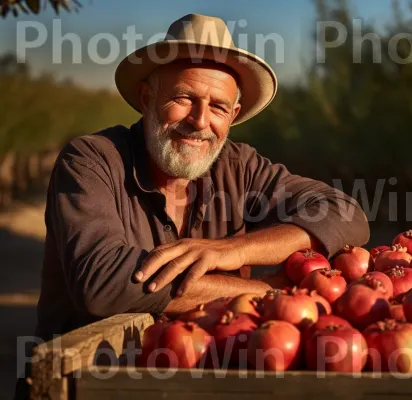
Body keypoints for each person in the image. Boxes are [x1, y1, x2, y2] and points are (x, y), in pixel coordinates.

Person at [33, 13, 369, 343]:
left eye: (218, 107)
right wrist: (269, 290)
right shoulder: (92, 161)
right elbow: (103, 282)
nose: (199, 120)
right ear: (147, 99)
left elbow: (345, 214)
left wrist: (233, 250)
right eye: (183, 99)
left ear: (233, 115)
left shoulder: (240, 167)